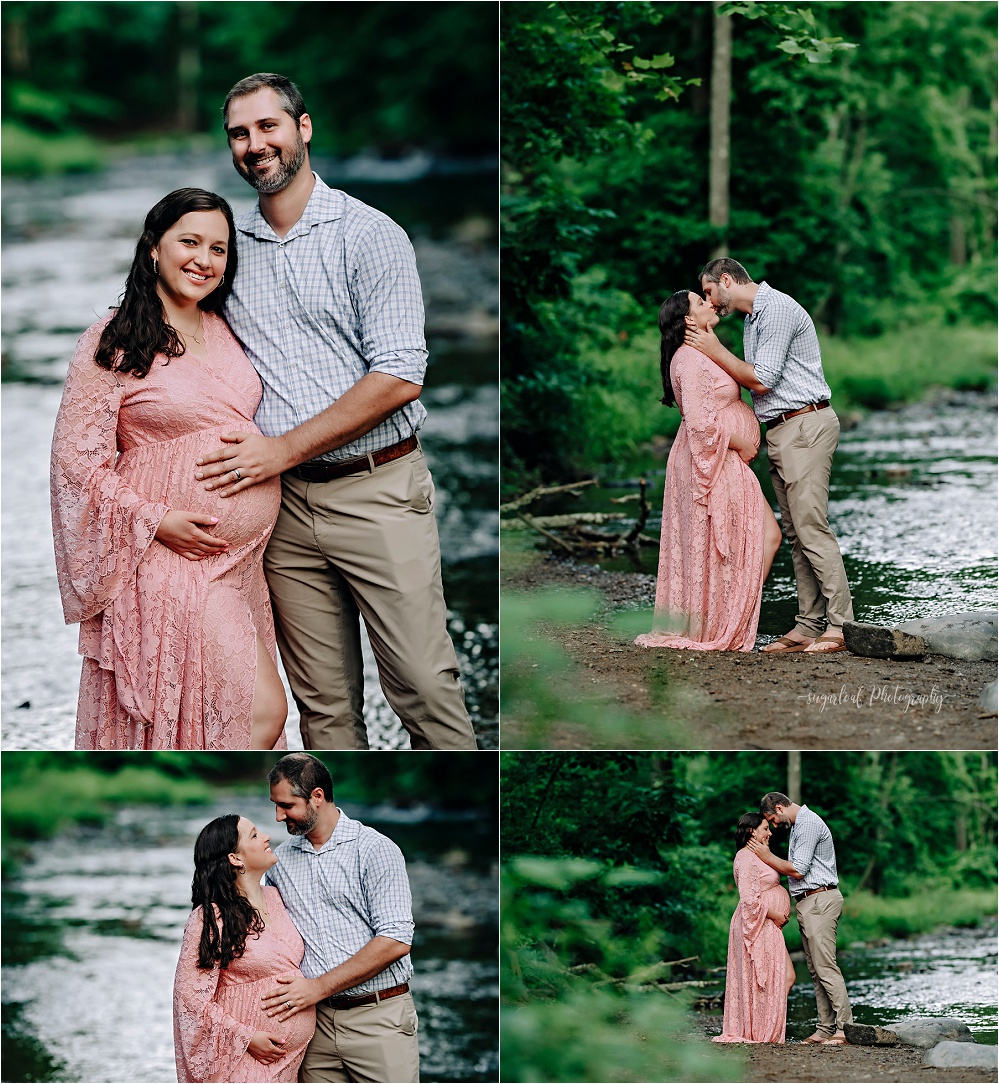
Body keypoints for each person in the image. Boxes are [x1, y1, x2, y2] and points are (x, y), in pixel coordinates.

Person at [192, 72, 477, 751]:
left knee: (425, 691)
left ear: (303, 128)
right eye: (239, 133)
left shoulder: (369, 234)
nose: (255, 145)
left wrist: (280, 448)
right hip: (280, 511)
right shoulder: (227, 250)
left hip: (377, 490)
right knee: (324, 714)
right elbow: (169, 321)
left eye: (268, 127)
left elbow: (401, 375)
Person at [50, 188, 287, 750]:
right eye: (190, 242)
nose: (204, 259)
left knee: (227, 713)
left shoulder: (229, 328)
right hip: (166, 557)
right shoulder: (112, 341)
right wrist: (156, 520)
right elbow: (74, 463)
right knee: (260, 712)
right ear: (154, 248)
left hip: (239, 564)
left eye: (219, 249)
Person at [685, 258, 854, 654]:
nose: (711, 301)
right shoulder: (752, 320)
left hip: (804, 425)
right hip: (783, 430)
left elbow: (761, 379)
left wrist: (712, 348)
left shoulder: (775, 309)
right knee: (796, 533)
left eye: (709, 291)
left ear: (726, 280)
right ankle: (808, 625)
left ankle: (842, 625)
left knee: (811, 526)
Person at [259, 753, 419, 1083]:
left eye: (287, 805)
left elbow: (396, 941)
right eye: (276, 805)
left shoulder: (375, 849)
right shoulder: (280, 861)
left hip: (379, 1020)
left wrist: (318, 986)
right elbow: (267, 934)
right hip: (311, 1025)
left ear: (317, 796)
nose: (278, 816)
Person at [635, 290, 782, 651]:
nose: (709, 303)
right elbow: (700, 425)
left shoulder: (701, 353)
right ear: (687, 319)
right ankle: (725, 622)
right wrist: (742, 442)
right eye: (700, 302)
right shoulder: (687, 360)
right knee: (750, 540)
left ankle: (729, 618)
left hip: (723, 460)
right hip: (713, 461)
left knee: (744, 542)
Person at [174, 813, 316, 1082]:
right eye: (253, 835)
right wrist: (246, 1038)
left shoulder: (278, 897)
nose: (266, 837)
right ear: (235, 858)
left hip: (289, 1063)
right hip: (241, 1060)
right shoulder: (210, 917)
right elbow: (189, 999)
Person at [753, 791, 853, 1045]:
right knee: (815, 969)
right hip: (810, 902)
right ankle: (825, 1028)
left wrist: (766, 857)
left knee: (825, 966)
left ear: (779, 807)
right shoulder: (800, 825)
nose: (774, 825)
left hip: (820, 899)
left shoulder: (807, 824)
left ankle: (845, 1028)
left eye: (772, 819)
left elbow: (798, 869)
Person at [713, 813, 795, 1043]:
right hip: (757, 925)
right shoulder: (745, 858)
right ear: (752, 831)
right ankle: (761, 1033)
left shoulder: (757, 856)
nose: (769, 833)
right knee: (764, 980)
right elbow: (749, 900)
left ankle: (765, 1028)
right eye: (765, 829)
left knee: (786, 977)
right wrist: (776, 914)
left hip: (768, 927)